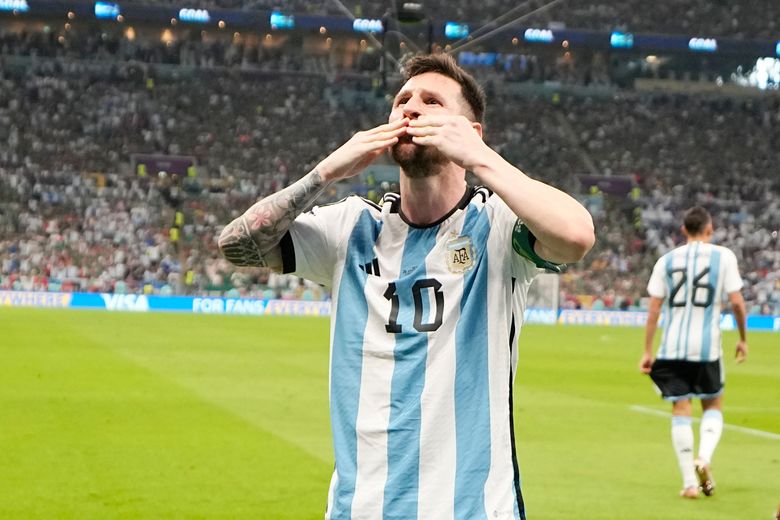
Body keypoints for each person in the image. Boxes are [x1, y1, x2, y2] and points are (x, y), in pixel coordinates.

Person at [218, 53, 594, 519]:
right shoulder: (351, 228)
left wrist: (482, 159)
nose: (409, 109)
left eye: (431, 101)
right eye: (402, 101)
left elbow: (576, 236)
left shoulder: (496, 227)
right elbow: (235, 245)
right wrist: (324, 174)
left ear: (469, 133)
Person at [639, 206, 748, 499]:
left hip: (671, 347)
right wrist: (742, 339)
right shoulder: (723, 256)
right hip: (707, 347)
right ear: (710, 229)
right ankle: (704, 458)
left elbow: (653, 310)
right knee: (712, 406)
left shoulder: (666, 260)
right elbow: (737, 302)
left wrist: (647, 351)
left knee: (680, 408)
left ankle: (689, 482)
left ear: (683, 230)